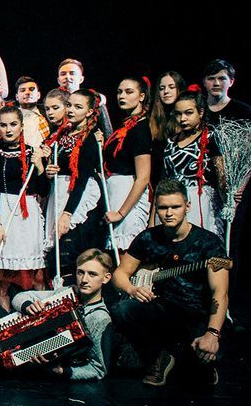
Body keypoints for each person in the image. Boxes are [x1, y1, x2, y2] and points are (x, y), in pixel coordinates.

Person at [112, 179, 228, 386]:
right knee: (123, 309)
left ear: (187, 206)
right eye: (163, 208)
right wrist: (132, 289)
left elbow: (219, 293)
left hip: (196, 316)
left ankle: (189, 361)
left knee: (201, 368)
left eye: (175, 207)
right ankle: (159, 357)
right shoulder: (147, 238)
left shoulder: (209, 243)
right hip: (161, 312)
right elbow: (119, 274)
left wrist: (212, 334)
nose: (168, 213)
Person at [0, 249, 114, 381]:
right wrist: (28, 306)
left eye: (92, 274)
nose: (84, 279)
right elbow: (20, 297)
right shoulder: (67, 293)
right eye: (81, 272)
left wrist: (64, 372)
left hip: (20, 355)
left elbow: (98, 369)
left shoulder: (100, 318)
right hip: (10, 325)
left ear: (106, 278)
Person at [0, 106, 48, 308]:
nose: (8, 129)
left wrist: (40, 165)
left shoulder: (33, 152)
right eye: (3, 125)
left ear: (21, 126)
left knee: (35, 273)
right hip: (2, 212)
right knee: (2, 278)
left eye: (13, 124)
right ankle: (7, 320)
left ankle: (41, 318)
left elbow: (43, 190)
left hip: (28, 215)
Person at [43, 89, 105, 287]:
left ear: (89, 111)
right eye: (69, 105)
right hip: (59, 193)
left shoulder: (90, 138)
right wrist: (49, 170)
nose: (70, 110)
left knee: (71, 251)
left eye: (78, 107)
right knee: (57, 252)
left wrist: (67, 214)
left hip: (77, 196)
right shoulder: (62, 134)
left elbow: (81, 179)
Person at [162, 92, 225, 237]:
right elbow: (164, 180)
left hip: (201, 201)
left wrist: (229, 196)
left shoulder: (211, 138)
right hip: (173, 201)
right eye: (178, 114)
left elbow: (221, 175)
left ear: (200, 112)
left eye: (188, 113)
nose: (182, 118)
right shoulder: (170, 143)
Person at [102, 77, 153, 253]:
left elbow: (143, 177)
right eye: (119, 92)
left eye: (129, 92)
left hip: (128, 194)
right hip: (115, 192)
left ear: (141, 96)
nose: (122, 96)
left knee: (127, 252)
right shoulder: (127, 125)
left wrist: (121, 212)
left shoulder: (140, 128)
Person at [56, 59, 114, 136]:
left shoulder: (94, 100)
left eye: (72, 73)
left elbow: (106, 130)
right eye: (63, 74)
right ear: (58, 80)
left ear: (81, 79)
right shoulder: (52, 102)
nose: (67, 76)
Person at [203, 59, 251, 125]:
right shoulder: (196, 107)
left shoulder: (243, 111)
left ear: (231, 82)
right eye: (211, 79)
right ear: (204, 82)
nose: (216, 83)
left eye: (222, 79)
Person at [15, 76, 50, 147]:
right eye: (23, 90)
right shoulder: (10, 116)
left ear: (38, 95)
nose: (27, 92)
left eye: (31, 89)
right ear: (17, 97)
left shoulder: (49, 114)